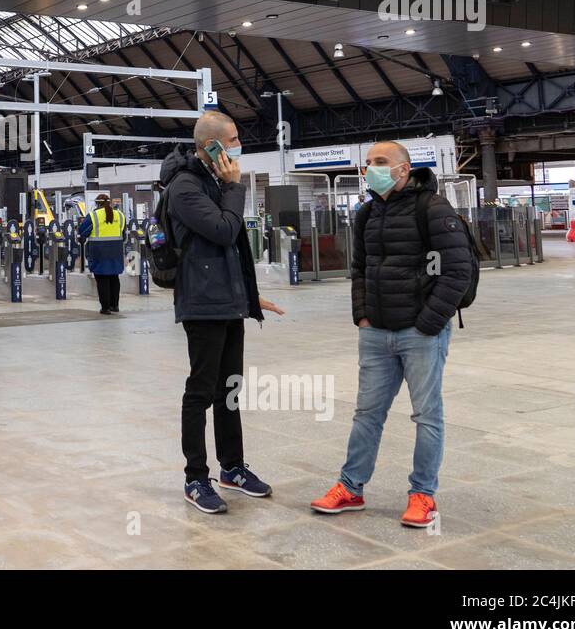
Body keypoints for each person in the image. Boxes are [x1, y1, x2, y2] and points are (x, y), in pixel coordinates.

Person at [311, 141, 473, 528]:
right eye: (367, 164)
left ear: (403, 170)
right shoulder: (367, 213)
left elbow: (458, 271)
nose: (371, 169)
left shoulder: (432, 208)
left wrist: (428, 323)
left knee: (426, 415)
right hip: (376, 332)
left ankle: (423, 494)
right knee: (366, 413)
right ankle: (351, 487)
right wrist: (362, 316)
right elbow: (360, 269)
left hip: (420, 333)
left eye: (380, 162)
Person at [161, 111, 285, 515]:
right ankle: (196, 477)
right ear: (211, 145)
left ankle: (232, 467)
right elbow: (224, 231)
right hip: (202, 305)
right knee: (201, 391)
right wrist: (234, 187)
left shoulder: (213, 181)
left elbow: (232, 251)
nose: (237, 146)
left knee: (228, 388)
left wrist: (249, 297)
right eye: (232, 139)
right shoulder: (185, 186)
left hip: (229, 304)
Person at [77, 193, 126, 314]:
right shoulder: (120, 215)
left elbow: (82, 231)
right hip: (115, 251)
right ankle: (115, 305)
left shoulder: (94, 215)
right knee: (114, 277)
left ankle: (105, 308)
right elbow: (123, 233)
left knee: (102, 279)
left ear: (98, 203)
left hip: (99, 252)